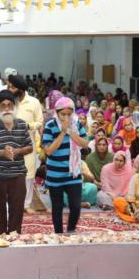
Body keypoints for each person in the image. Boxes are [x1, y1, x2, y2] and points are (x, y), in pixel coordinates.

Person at [0, 90, 33, 235]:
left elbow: (30, 147)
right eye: (3, 105)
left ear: (14, 106)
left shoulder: (22, 125)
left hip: (17, 175)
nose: (6, 108)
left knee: (17, 212)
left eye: (9, 105)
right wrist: (2, 153)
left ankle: (15, 241)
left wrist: (16, 151)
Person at [42, 97, 89, 233]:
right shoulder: (50, 126)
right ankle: (58, 234)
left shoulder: (77, 124)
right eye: (63, 114)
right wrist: (63, 132)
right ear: (57, 113)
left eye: (69, 114)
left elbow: (85, 144)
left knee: (75, 206)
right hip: (55, 174)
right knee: (57, 207)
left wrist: (71, 132)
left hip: (73, 173)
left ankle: (70, 230)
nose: (66, 117)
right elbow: (49, 151)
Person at [8, 73, 44, 214]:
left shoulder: (34, 102)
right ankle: (13, 203)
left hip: (28, 144)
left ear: (21, 89)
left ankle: (26, 205)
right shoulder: (9, 101)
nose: (9, 89)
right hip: (10, 143)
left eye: (12, 87)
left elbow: (40, 121)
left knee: (28, 174)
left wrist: (28, 126)